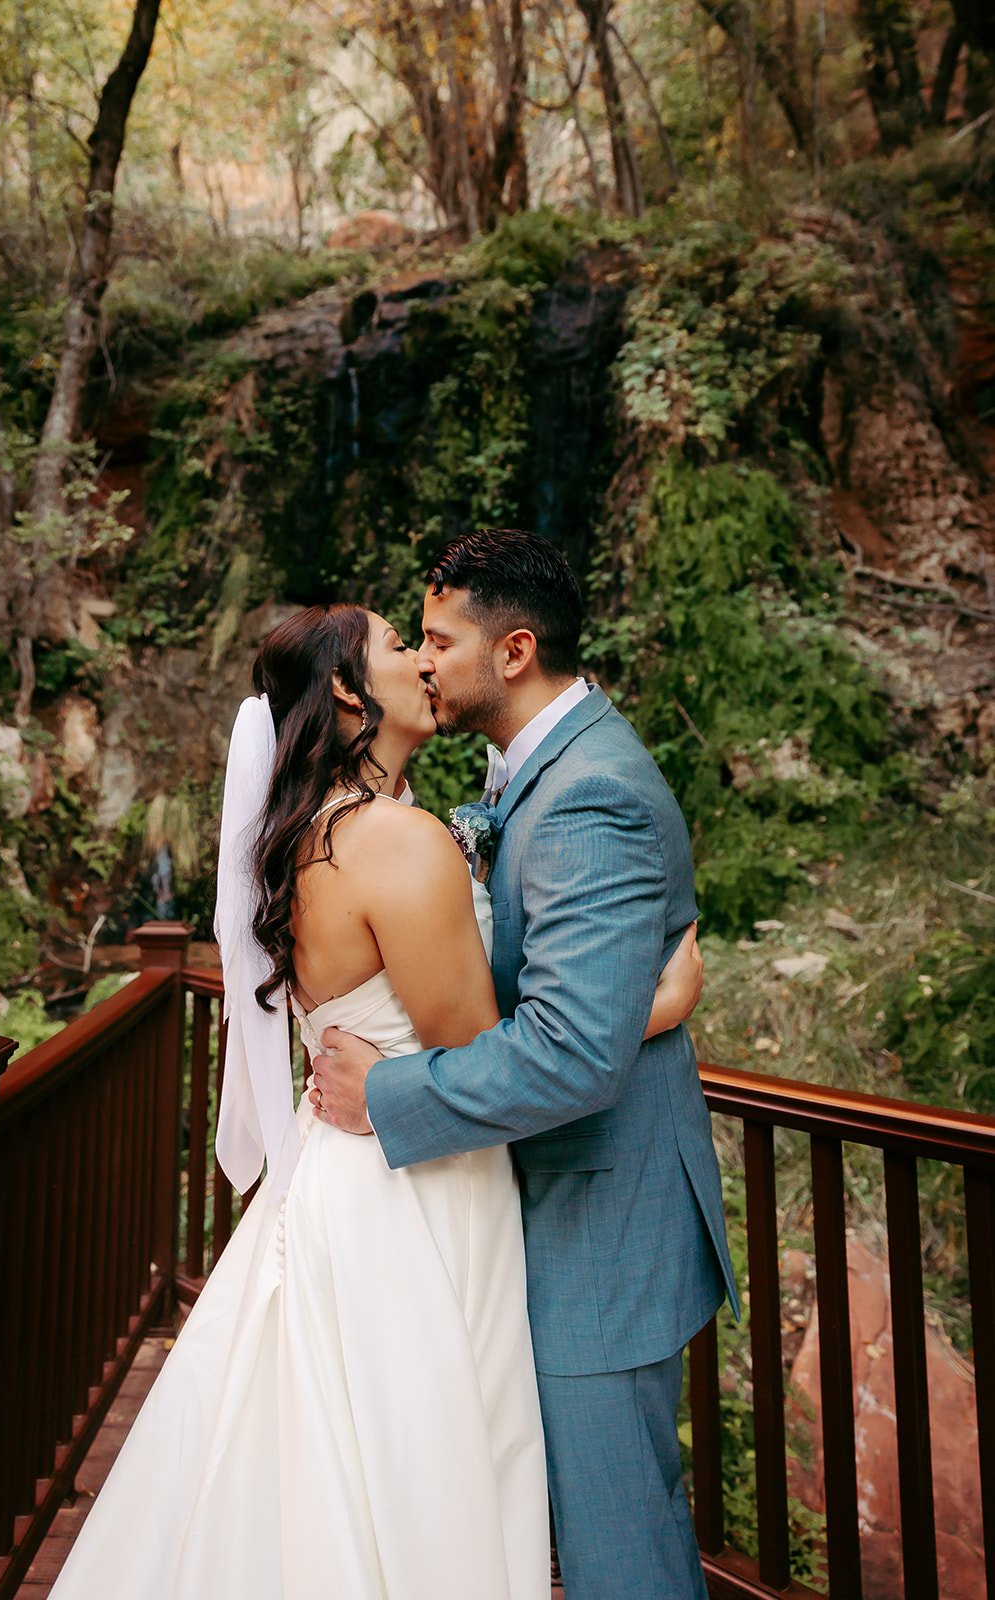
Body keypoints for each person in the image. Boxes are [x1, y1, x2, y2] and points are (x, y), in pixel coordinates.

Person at [49, 600, 703, 1600]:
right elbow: (489, 1044)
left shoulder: (313, 833)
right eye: (405, 645)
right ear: (351, 689)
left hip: (341, 1172)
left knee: (321, 1460)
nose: (424, 662)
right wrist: (651, 999)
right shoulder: (397, 840)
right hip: (419, 1192)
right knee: (427, 1470)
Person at [313, 531, 741, 1600]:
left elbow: (567, 1055)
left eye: (438, 638)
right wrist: (641, 1007)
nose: (422, 660)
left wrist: (386, 1094)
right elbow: (569, 1010)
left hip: (599, 1222)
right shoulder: (533, 768)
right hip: (549, 1203)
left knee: (617, 1547)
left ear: (510, 651)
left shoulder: (587, 791)